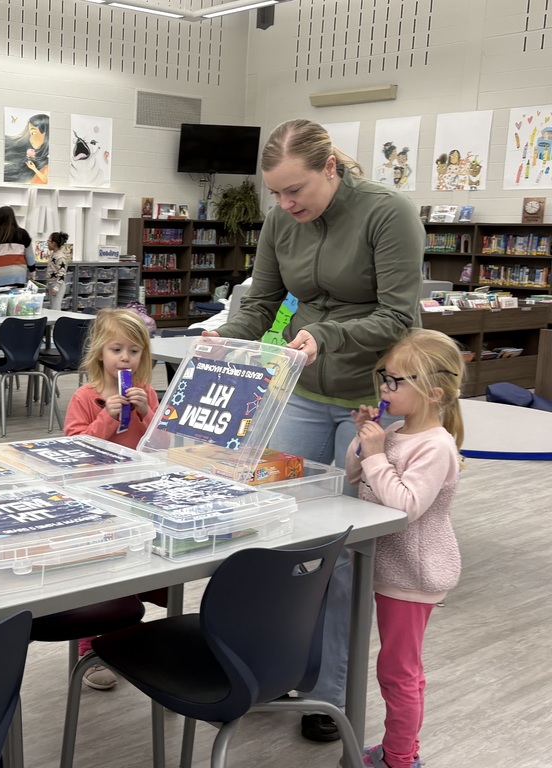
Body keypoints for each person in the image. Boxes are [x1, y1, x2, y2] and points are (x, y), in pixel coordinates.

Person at [203, 118, 425, 743]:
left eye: (295, 189)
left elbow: (398, 315)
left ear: (331, 167)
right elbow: (264, 300)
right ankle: (271, 671)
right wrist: (226, 337)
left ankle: (330, 693)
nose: (285, 204)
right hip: (301, 390)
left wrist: (326, 333)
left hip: (367, 399)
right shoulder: (282, 221)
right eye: (275, 193)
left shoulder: (388, 214)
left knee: (345, 550)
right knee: (279, 533)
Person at [345, 329, 464, 768]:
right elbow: (358, 478)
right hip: (386, 566)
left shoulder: (436, 447)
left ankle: (400, 758)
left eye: (396, 382)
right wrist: (364, 440)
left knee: (398, 672)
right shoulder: (396, 429)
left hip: (412, 574)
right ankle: (397, 749)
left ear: (432, 393)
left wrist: (376, 455)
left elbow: (406, 507)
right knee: (393, 667)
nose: (384, 389)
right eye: (383, 378)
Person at [63, 308, 159, 690]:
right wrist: (107, 418)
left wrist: (146, 412)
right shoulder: (86, 397)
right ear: (99, 353)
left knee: (131, 567)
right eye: (116, 349)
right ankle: (89, 646)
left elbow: (162, 442)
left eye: (133, 351)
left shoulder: (147, 393)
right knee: (97, 569)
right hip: (94, 497)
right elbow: (72, 449)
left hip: (136, 492)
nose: (125, 358)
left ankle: (122, 637)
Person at [0, 206, 35, 289]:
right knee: (16, 301)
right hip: (18, 276)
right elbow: (30, 257)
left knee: (0, 301)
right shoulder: (23, 234)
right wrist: (32, 276)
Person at [45, 232, 70, 310]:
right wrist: (48, 285)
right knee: (52, 308)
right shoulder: (54, 254)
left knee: (55, 309)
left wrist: (57, 287)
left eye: (49, 241)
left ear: (54, 243)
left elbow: (62, 273)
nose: (47, 243)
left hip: (56, 284)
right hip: (51, 284)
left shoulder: (60, 257)